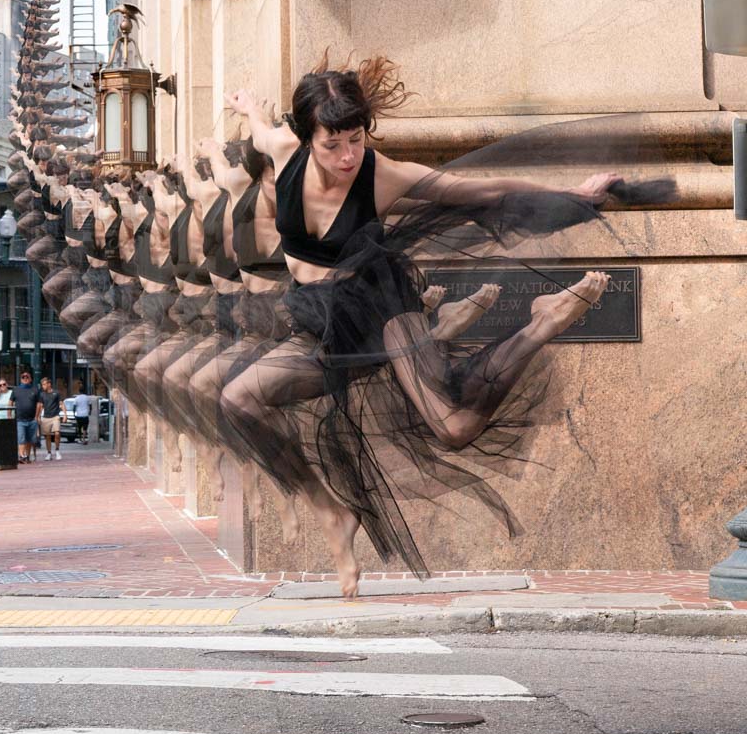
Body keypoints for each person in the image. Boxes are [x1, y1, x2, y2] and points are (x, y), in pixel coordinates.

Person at [223, 56, 664, 598]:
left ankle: (539, 322)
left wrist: (574, 196)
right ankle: (332, 514)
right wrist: (247, 110)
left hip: (381, 311)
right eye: (332, 144)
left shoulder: (381, 175)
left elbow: (484, 192)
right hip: (321, 322)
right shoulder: (284, 151)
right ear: (307, 137)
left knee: (454, 428)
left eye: (356, 140)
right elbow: (264, 132)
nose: (346, 156)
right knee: (238, 399)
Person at [11, 368, 42, 463]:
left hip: (32, 419)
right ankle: (21, 456)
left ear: (30, 379)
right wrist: (10, 415)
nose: (25, 378)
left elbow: (39, 403)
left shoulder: (35, 390)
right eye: (23, 377)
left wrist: (37, 416)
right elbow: (10, 402)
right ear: (20, 379)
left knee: (30, 439)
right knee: (21, 438)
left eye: (27, 377)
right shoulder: (16, 390)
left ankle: (27, 456)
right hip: (20, 419)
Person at [38, 376, 62, 459]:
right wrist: (38, 417)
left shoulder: (56, 393)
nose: (43, 386)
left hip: (55, 416)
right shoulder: (42, 394)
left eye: (44, 384)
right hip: (46, 417)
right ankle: (49, 453)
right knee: (47, 435)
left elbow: (61, 404)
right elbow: (40, 406)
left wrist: (65, 415)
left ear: (49, 384)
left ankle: (57, 450)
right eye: (42, 385)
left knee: (57, 433)